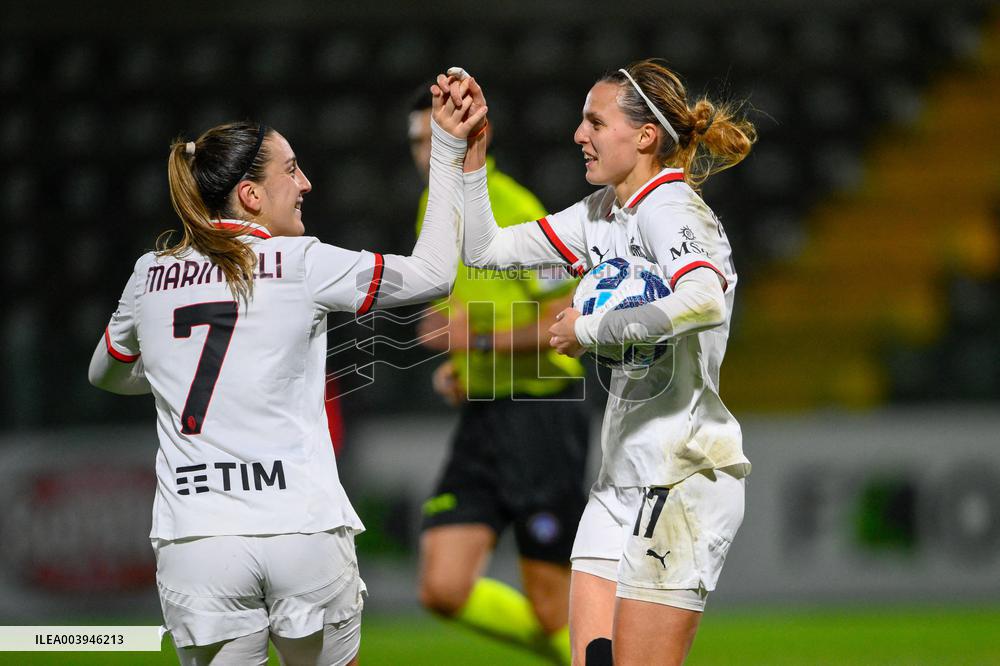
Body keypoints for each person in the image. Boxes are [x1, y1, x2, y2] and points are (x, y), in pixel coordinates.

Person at [87, 82, 486, 666]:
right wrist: (448, 152)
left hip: (200, 542)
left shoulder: (150, 273)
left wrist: (173, 379)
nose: (305, 185)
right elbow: (432, 274)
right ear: (249, 194)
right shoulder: (303, 263)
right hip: (302, 531)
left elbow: (106, 373)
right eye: (292, 171)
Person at [450, 59, 755, 665]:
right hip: (620, 478)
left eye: (595, 121)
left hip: (682, 474)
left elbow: (703, 298)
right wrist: (470, 155)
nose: (578, 134)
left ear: (644, 136)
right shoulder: (601, 216)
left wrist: (589, 328)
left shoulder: (670, 209)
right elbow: (484, 251)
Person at [407, 86, 590, 665]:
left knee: (548, 608)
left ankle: (592, 653)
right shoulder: (431, 210)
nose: (420, 153)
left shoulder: (513, 209)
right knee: (442, 588)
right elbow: (458, 313)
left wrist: (477, 340)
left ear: (470, 140)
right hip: (485, 409)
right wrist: (463, 366)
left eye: (431, 139)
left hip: (543, 413)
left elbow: (569, 320)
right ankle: (576, 653)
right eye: (416, 141)